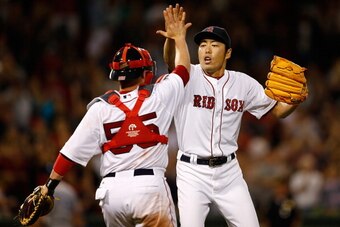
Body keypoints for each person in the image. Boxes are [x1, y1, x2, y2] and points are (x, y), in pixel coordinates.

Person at [34, 5, 191, 227]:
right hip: (149, 187)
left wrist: (48, 186)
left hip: (111, 194)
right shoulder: (160, 93)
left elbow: (68, 153)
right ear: (145, 72)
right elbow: (183, 70)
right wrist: (179, 38)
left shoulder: (100, 107)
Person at [162, 5, 305, 227]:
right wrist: (173, 39)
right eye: (202, 45)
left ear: (227, 52)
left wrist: (294, 101)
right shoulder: (188, 74)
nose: (206, 50)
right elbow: (172, 62)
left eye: (214, 45)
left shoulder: (243, 83)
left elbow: (278, 110)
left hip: (229, 172)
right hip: (192, 172)